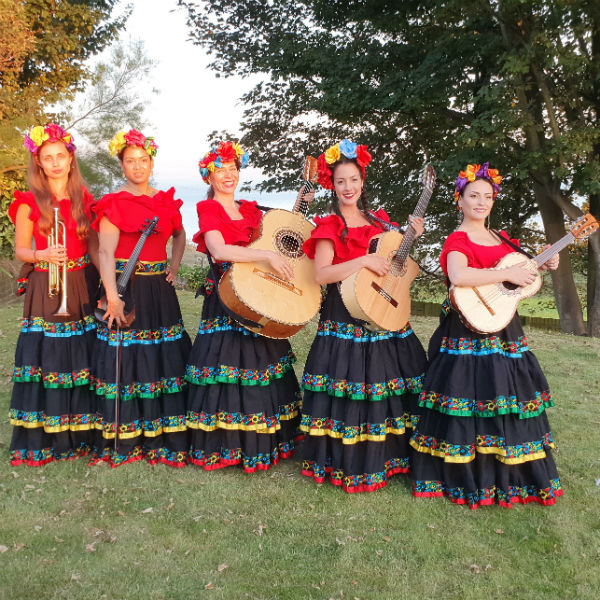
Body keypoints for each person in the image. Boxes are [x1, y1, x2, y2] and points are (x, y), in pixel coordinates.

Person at [410, 162, 562, 508]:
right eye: (473, 196)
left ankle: (508, 477)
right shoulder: (458, 238)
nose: (481, 202)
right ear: (459, 200)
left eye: (487, 197)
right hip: (465, 330)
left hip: (504, 329)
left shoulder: (503, 239)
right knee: (466, 396)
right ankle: (464, 476)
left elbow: (521, 280)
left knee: (505, 396)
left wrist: (543, 265)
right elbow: (459, 275)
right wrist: (506, 271)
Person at [300, 139, 427, 492]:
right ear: (332, 185)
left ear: (362, 181)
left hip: (380, 310)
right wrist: (362, 260)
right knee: (352, 385)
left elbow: (393, 261)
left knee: (385, 382)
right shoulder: (328, 225)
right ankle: (347, 460)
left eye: (353, 180)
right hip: (343, 313)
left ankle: (390, 457)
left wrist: (411, 236)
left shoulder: (380, 221)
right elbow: (322, 274)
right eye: (341, 181)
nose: (348, 188)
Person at [186, 140, 302, 471]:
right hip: (225, 296)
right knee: (226, 367)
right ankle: (225, 446)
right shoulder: (209, 209)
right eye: (220, 170)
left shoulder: (251, 209)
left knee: (259, 363)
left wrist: (299, 206)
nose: (228, 175)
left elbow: (276, 238)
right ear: (209, 176)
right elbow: (219, 250)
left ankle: (265, 442)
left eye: (233, 169)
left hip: (257, 294)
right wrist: (265, 255)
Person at [90, 129, 191, 467]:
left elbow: (180, 234)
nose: (137, 166)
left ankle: (163, 431)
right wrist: (111, 296)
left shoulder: (165, 203)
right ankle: (129, 434)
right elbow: (105, 251)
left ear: (151, 162)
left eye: (142, 160)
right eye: (130, 161)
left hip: (159, 290)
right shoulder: (114, 203)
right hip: (125, 288)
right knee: (128, 357)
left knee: (162, 356)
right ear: (122, 166)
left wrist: (174, 267)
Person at [9, 124, 99, 465]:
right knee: (48, 357)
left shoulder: (84, 199)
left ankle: (82, 432)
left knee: (80, 355)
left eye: (61, 156)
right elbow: (20, 250)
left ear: (71, 159)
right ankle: (50, 436)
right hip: (46, 284)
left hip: (80, 283)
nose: (56, 163)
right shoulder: (28, 201)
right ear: (40, 163)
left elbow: (92, 246)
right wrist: (42, 255)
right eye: (48, 158)